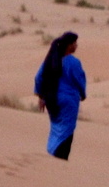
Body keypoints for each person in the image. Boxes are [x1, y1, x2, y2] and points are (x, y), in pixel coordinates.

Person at [34, 31, 86, 160]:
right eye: (74, 43)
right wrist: (83, 93)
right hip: (69, 101)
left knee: (56, 128)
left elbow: (39, 77)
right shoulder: (73, 62)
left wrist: (41, 97)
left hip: (52, 99)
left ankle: (52, 153)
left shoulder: (51, 59)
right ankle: (59, 159)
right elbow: (79, 79)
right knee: (66, 130)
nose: (76, 45)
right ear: (69, 45)